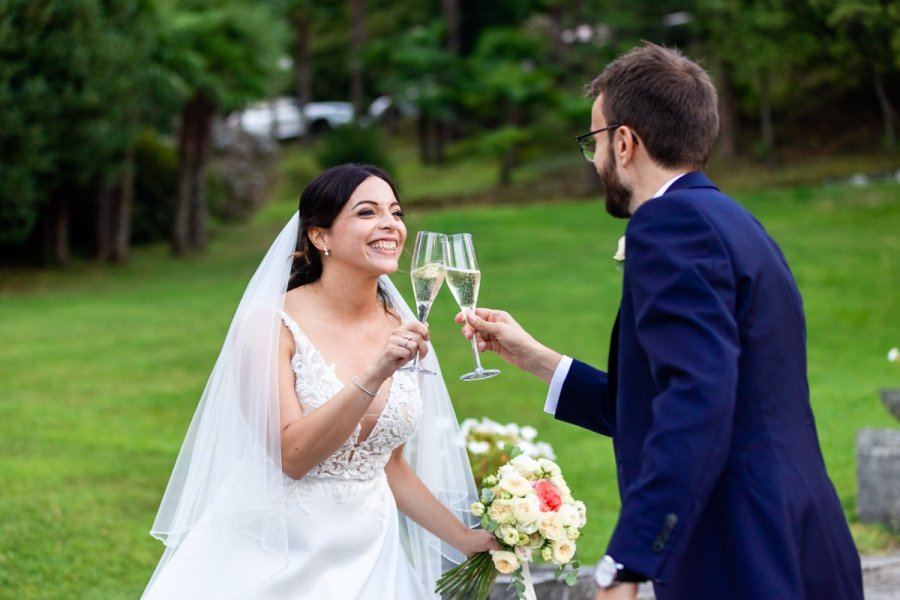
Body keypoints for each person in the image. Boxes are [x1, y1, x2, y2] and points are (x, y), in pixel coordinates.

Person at [458, 43, 864, 600]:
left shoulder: (668, 225)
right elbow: (685, 396)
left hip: (741, 552)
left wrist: (628, 561)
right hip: (802, 537)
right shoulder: (736, 222)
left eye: (594, 142)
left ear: (624, 142)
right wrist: (534, 357)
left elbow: (697, 400)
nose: (595, 160)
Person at [143, 163, 498, 599]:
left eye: (396, 212)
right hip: (273, 557)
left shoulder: (402, 324)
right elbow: (292, 456)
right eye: (367, 213)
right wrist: (375, 372)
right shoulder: (271, 323)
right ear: (320, 235)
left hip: (372, 559)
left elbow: (390, 463)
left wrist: (463, 538)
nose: (389, 224)